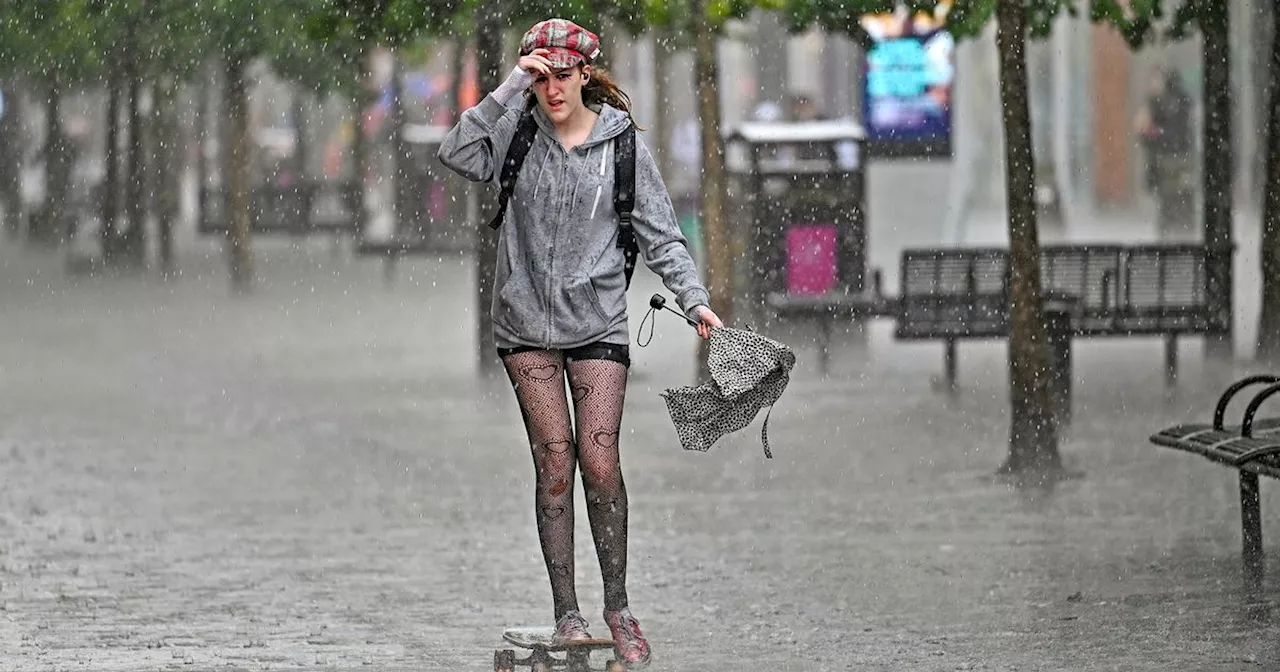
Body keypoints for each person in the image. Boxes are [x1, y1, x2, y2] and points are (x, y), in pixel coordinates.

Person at [436, 17, 722, 668]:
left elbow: (662, 235)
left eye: (562, 76)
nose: (552, 90)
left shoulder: (622, 147)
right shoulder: (512, 132)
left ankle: (618, 607)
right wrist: (512, 84)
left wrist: (694, 301)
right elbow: (455, 152)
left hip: (598, 322)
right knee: (555, 463)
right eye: (541, 78)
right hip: (527, 326)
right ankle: (567, 612)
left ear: (586, 75)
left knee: (599, 462)